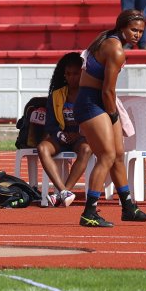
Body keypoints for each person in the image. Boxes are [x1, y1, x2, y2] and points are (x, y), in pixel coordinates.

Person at [74, 9, 146, 227]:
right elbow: (108, 91)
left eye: (140, 31)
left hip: (98, 100)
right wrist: (112, 114)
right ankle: (89, 212)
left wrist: (112, 115)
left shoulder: (107, 39)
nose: (137, 34)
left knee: (118, 155)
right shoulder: (116, 49)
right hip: (92, 103)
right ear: (121, 27)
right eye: (133, 30)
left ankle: (128, 208)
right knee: (107, 156)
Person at [38, 52, 95, 209]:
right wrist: (60, 134)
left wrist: (79, 134)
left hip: (81, 137)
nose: (72, 78)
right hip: (61, 136)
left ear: (82, 73)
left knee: (86, 149)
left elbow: (95, 121)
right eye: (68, 74)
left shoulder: (89, 95)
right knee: (42, 148)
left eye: (76, 74)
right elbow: (50, 123)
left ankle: (63, 192)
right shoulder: (56, 95)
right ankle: (63, 191)